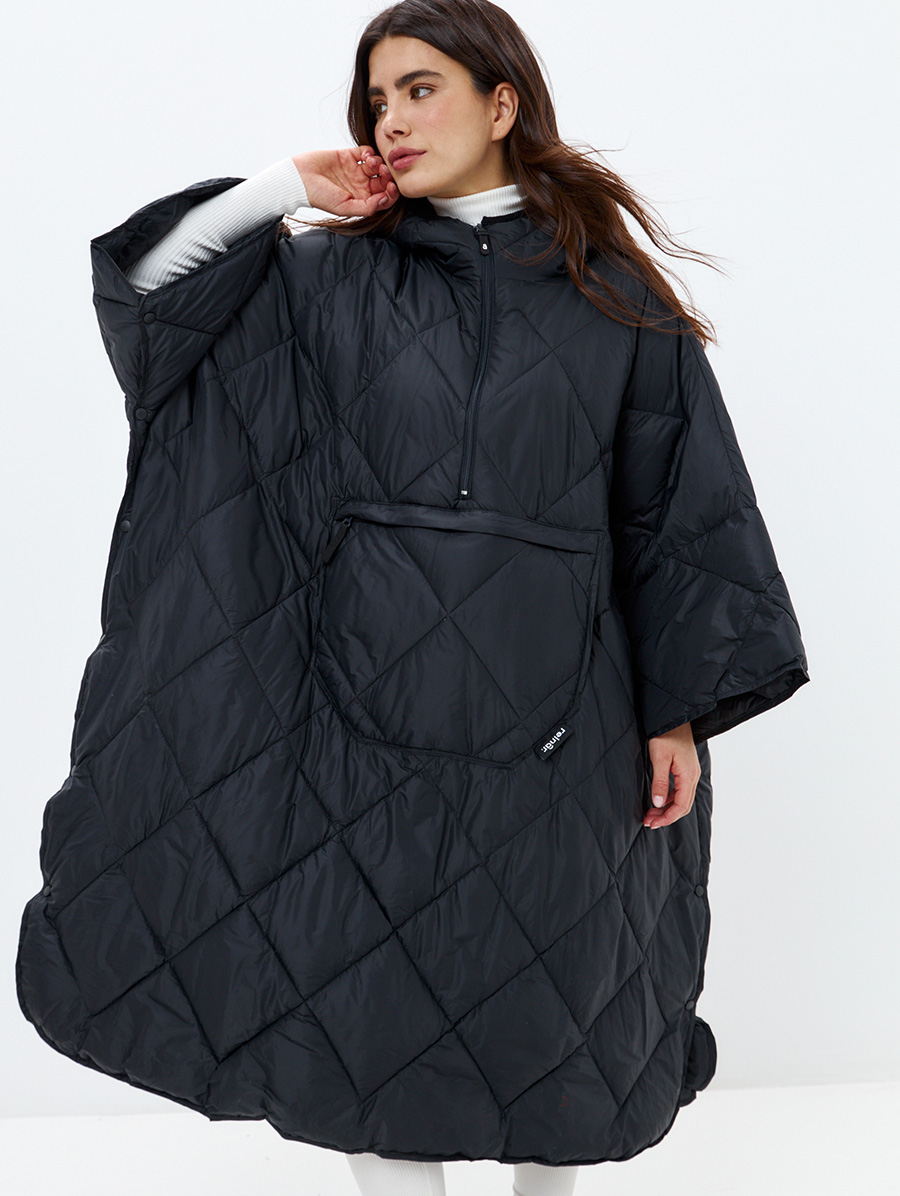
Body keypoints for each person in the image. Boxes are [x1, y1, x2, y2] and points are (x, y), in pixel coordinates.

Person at [17, 1, 808, 1193]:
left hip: (567, 731)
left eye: (422, 88)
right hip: (355, 727)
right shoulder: (322, 279)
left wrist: (678, 711)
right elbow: (146, 289)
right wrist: (286, 186)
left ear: (503, 102)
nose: (392, 117)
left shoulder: (617, 299)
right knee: (365, 1025)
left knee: (563, 1017)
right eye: (378, 97)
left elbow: (676, 511)